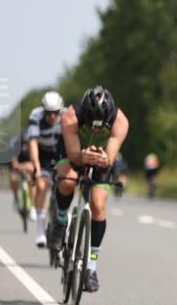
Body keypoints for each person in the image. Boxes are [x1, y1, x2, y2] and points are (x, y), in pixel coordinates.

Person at [47, 86, 129, 293]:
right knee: (68, 181)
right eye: (91, 123)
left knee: (98, 205)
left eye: (99, 125)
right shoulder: (71, 115)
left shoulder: (120, 121)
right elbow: (73, 154)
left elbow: (110, 155)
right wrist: (82, 156)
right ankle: (60, 221)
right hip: (73, 150)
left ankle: (91, 268)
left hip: (100, 156)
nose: (94, 128)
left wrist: (104, 158)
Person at [27, 91, 65, 247]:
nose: (52, 117)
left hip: (60, 153)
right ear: (43, 110)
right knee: (41, 186)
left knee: (67, 183)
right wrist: (36, 165)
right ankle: (40, 228)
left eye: (56, 113)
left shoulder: (67, 115)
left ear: (60, 111)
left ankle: (62, 212)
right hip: (42, 154)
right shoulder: (36, 116)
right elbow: (33, 143)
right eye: (49, 113)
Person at [9, 130, 35, 217]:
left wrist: (28, 166)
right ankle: (16, 199)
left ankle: (32, 206)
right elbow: (14, 161)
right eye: (22, 144)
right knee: (13, 179)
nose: (24, 146)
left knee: (32, 183)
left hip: (29, 170)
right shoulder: (16, 149)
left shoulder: (32, 148)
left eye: (26, 144)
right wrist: (21, 166)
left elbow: (33, 162)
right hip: (19, 169)